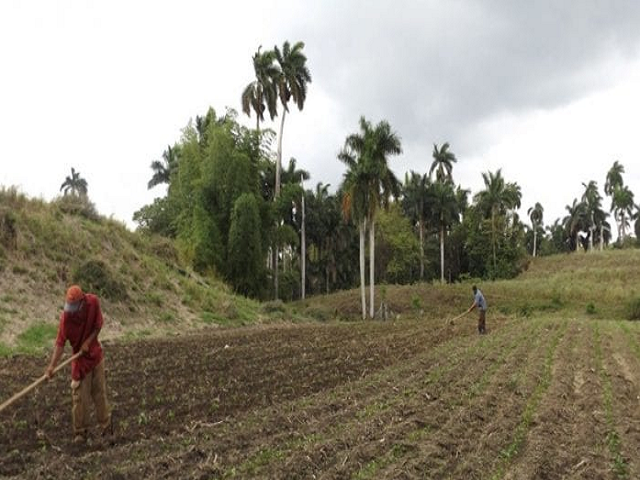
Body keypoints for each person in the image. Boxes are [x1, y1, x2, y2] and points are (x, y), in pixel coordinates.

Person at [45, 285, 112, 443]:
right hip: (80, 361)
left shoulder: (93, 302)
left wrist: (88, 341)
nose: (71, 309)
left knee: (99, 394)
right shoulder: (66, 318)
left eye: (74, 306)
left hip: (95, 356)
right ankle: (80, 433)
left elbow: (98, 325)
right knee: (80, 398)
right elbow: (60, 344)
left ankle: (106, 428)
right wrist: (51, 366)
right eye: (69, 306)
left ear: (82, 302)